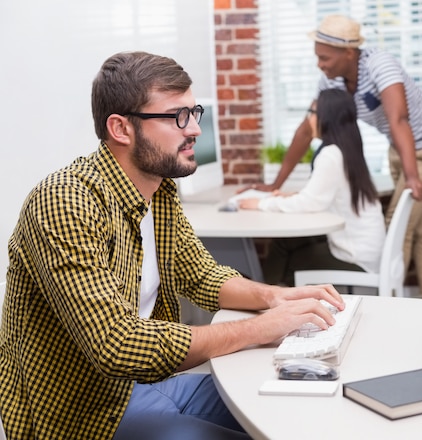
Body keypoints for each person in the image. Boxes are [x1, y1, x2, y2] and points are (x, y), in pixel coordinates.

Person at [0, 51, 345, 440]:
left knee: (291, 405)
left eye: (194, 112)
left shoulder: (159, 189)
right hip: (81, 415)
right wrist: (261, 329)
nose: (195, 129)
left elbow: (200, 274)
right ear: (121, 128)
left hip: (141, 388)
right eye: (178, 116)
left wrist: (275, 298)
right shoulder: (65, 200)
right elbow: (118, 344)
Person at [249, 15, 422, 297]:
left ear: (349, 52)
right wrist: (275, 185)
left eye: (325, 58)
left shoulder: (378, 65)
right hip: (400, 148)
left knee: (401, 223)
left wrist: (411, 176)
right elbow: (305, 130)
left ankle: (389, 301)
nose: (319, 65)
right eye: (317, 58)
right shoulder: (330, 81)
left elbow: (399, 119)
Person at [239, 89, 386, 286]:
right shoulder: (348, 149)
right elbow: (324, 195)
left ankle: (264, 298)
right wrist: (291, 196)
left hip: (355, 258)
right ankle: (265, 293)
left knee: (291, 260)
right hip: (367, 253)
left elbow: (310, 202)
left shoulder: (331, 154)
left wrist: (261, 204)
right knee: (286, 242)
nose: (309, 120)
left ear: (326, 117)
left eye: (312, 113)